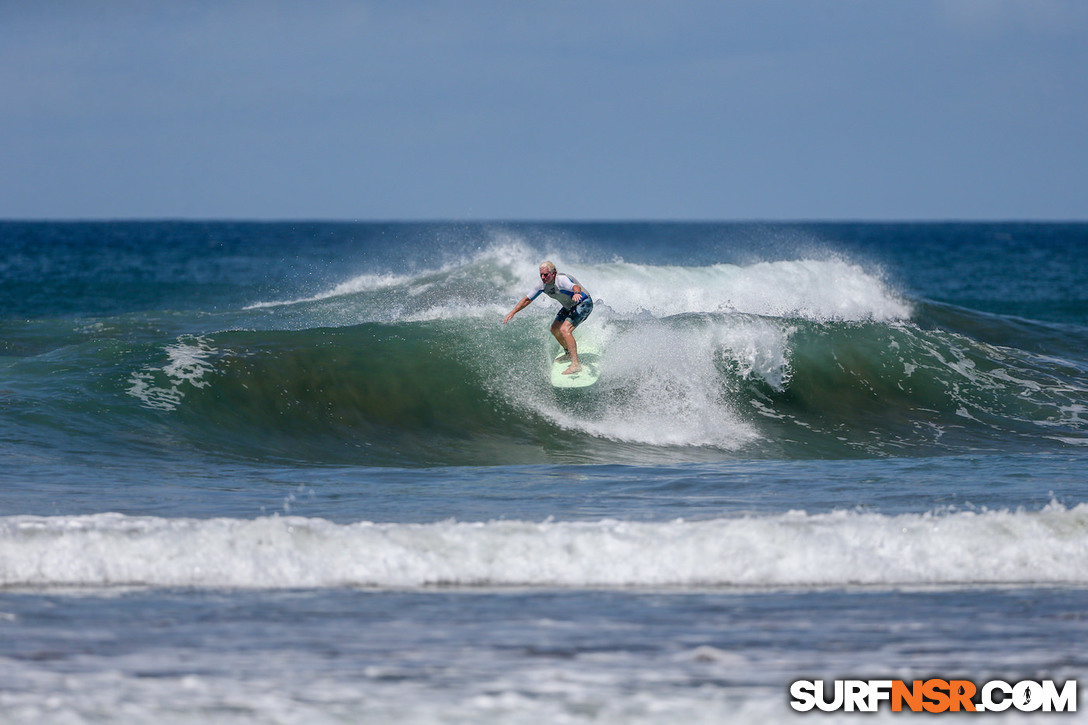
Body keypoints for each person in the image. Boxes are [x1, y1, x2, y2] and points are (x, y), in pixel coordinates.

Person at [503, 261, 593, 375]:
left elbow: (575, 286)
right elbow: (527, 299)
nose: (543, 277)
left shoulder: (561, 280)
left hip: (583, 303)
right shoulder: (541, 284)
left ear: (553, 273)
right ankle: (568, 353)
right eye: (541, 274)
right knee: (554, 329)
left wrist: (576, 293)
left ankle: (575, 364)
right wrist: (513, 312)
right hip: (569, 306)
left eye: (546, 274)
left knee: (565, 330)